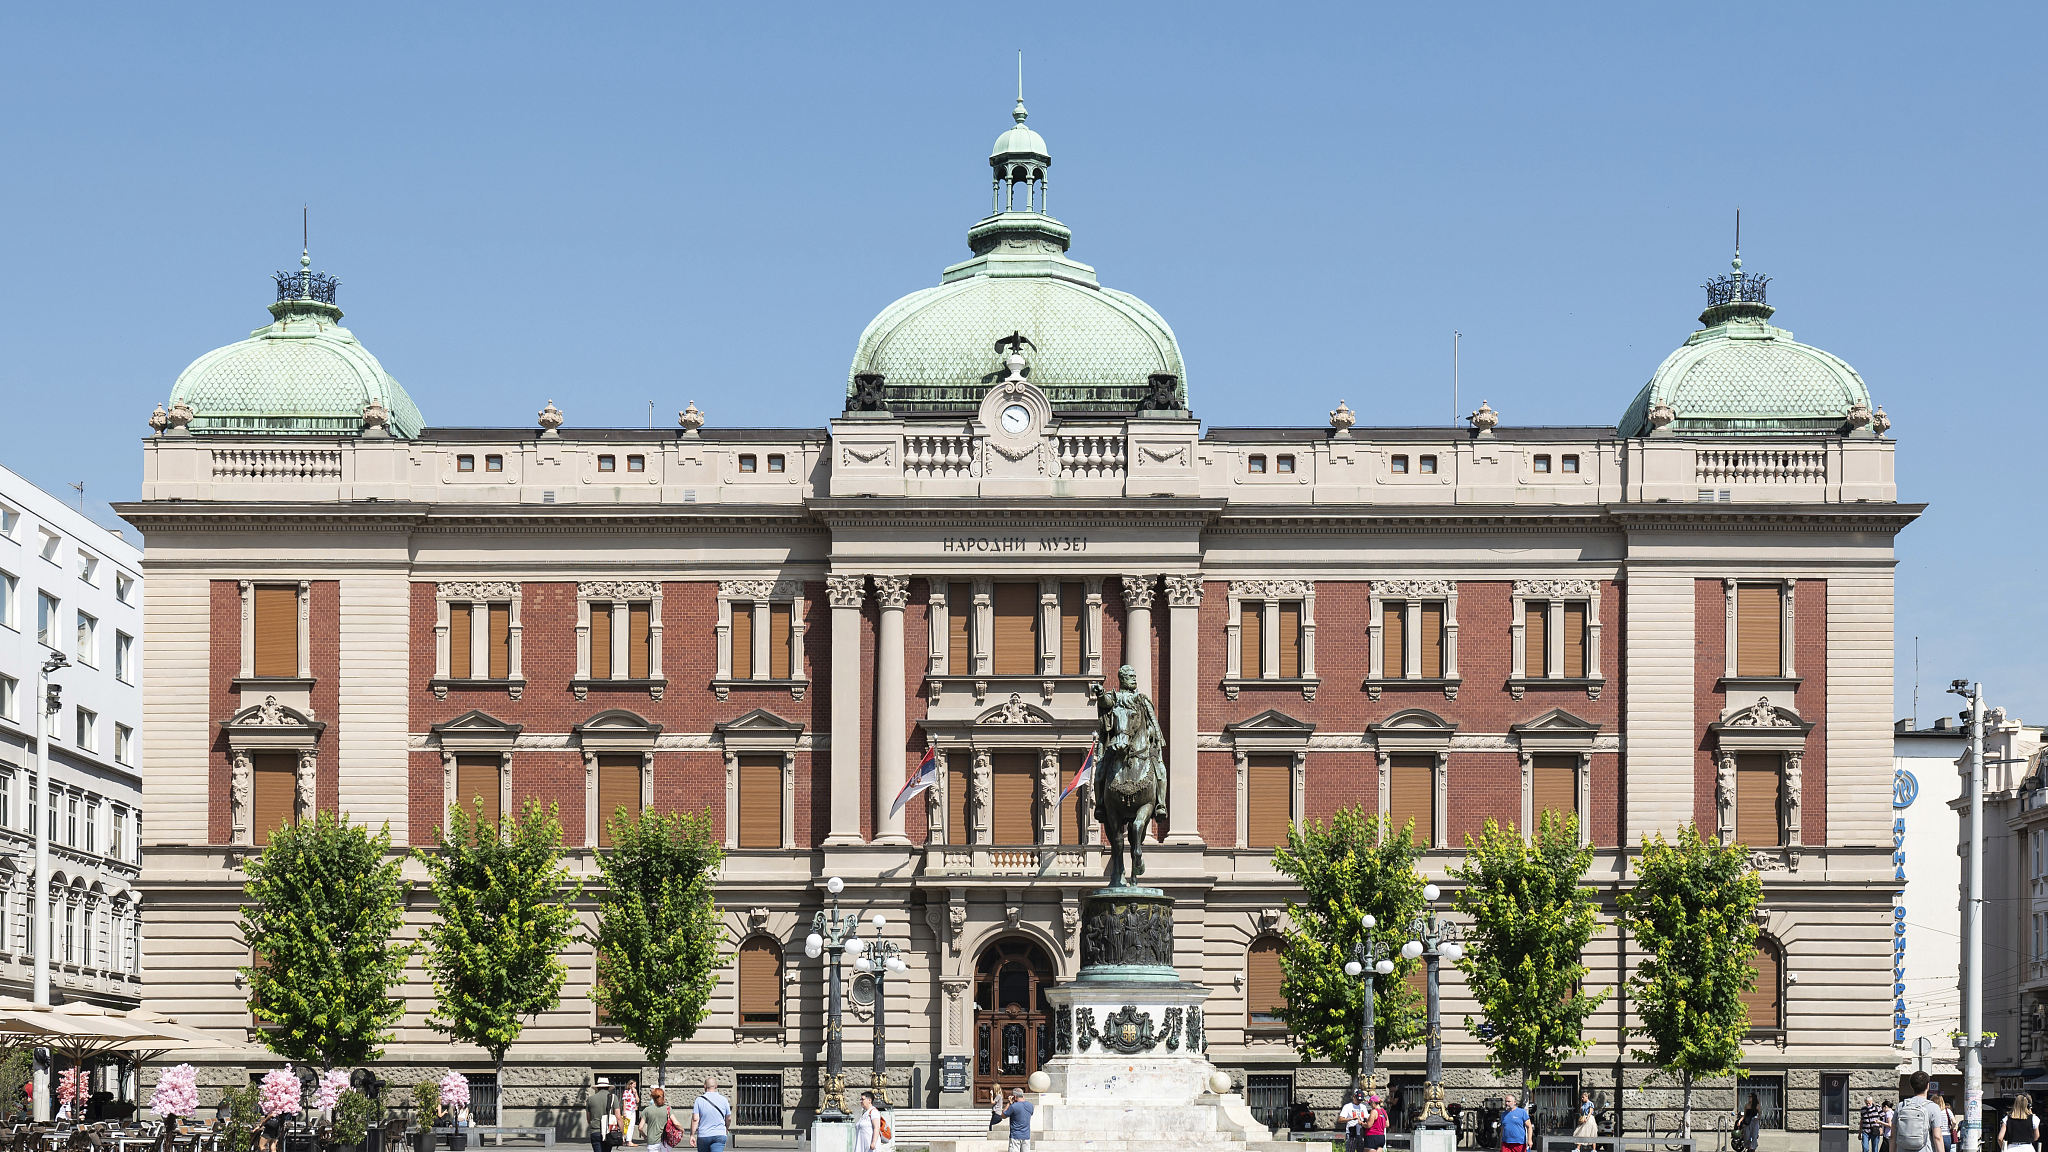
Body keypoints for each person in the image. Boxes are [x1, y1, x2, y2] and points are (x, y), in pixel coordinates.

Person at [1895, 1072, 1946, 1152]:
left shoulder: (1901, 1106)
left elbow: (1893, 1135)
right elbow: (1937, 1137)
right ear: (1928, 1086)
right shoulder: (1933, 1107)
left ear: (1911, 1086)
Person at [687, 1076, 730, 1152]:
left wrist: (692, 1135)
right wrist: (726, 1128)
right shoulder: (724, 1100)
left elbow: (695, 1119)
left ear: (705, 1086)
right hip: (719, 1134)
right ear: (716, 1086)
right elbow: (728, 1118)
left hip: (704, 1135)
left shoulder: (699, 1100)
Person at [990, 1086, 1034, 1152]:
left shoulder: (1013, 1107)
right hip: (1026, 1136)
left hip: (1015, 1136)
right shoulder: (1030, 1106)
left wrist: (1008, 1103)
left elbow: (1003, 1115)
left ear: (1015, 1096)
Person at [584, 1078, 619, 1152]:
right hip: (608, 1132)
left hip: (595, 1131)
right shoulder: (613, 1098)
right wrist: (621, 1132)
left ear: (597, 1088)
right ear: (608, 1088)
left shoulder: (590, 1099)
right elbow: (618, 1117)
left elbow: (588, 1118)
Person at [638, 1088, 672, 1152]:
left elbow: (640, 1127)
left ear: (652, 1097)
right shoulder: (668, 1109)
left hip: (652, 1141)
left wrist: (644, 1136)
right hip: (665, 1140)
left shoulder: (647, 1110)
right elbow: (676, 1123)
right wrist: (682, 1129)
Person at [620, 1079, 639, 1146]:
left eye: (635, 1085)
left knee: (632, 1125)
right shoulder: (626, 1092)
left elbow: (638, 1101)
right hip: (627, 1110)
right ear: (630, 1085)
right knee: (627, 1125)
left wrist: (636, 1093)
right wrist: (624, 1112)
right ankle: (627, 1140)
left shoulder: (634, 1093)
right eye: (634, 1084)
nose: (635, 1086)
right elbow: (624, 1102)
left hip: (633, 1110)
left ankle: (629, 1139)